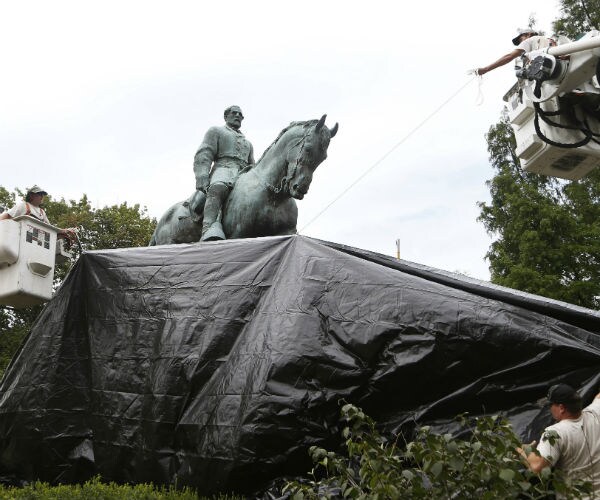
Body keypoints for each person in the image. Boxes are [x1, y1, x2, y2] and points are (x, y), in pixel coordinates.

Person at [517, 384, 600, 496]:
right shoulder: (595, 413)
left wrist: (520, 449)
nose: (550, 409)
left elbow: (537, 468)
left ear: (561, 408)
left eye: (551, 405)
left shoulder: (555, 433)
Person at [193, 105, 255, 241]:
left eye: (240, 115)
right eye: (234, 113)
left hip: (243, 173)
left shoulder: (248, 143)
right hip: (223, 168)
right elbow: (205, 153)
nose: (238, 116)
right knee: (218, 187)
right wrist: (202, 175)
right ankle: (208, 228)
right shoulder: (216, 131)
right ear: (226, 116)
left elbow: (252, 164)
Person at [0, 185, 76, 240]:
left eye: (42, 195)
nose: (42, 196)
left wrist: (65, 233)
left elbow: (50, 230)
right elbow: (6, 216)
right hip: (20, 240)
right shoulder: (23, 206)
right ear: (31, 196)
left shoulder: (42, 212)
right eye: (39, 194)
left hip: (36, 243)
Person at [476, 28, 556, 76]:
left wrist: (485, 69)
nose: (521, 43)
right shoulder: (548, 39)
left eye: (521, 39)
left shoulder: (529, 40)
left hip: (550, 68)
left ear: (528, 34)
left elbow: (509, 57)